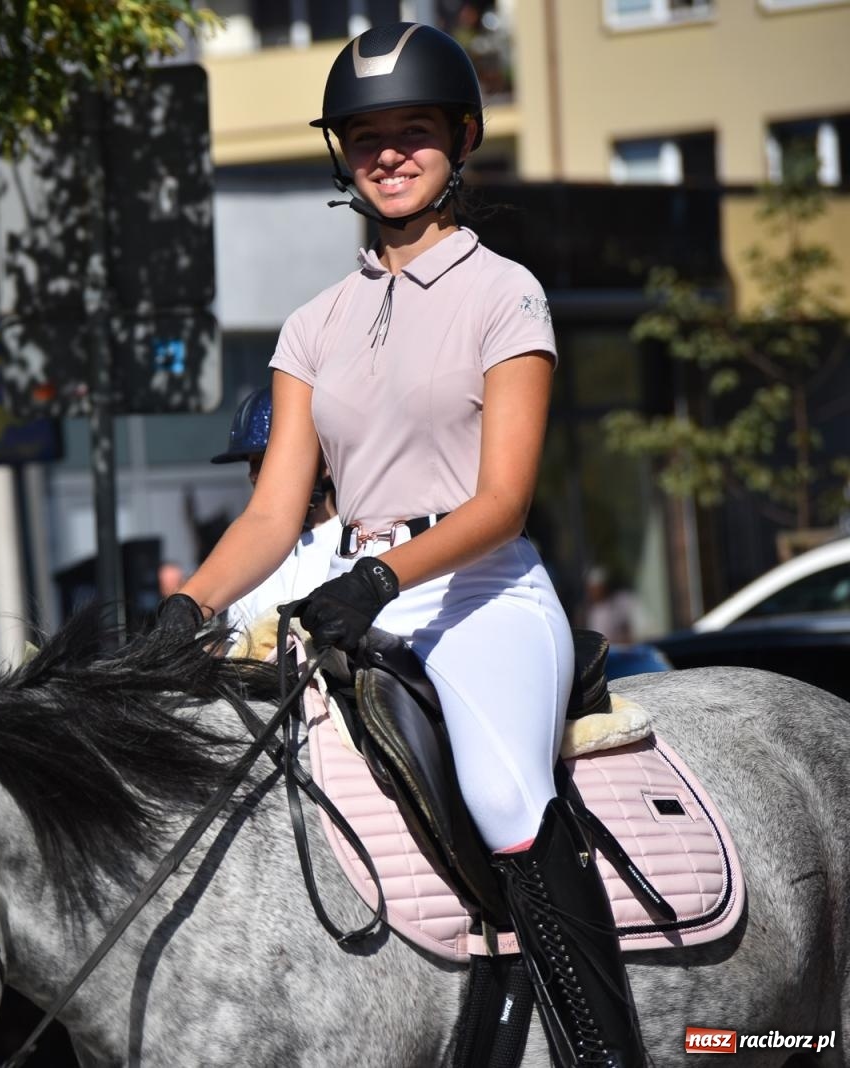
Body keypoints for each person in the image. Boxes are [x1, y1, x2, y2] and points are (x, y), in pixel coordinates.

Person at [158, 23, 646, 1066]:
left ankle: (607, 1051)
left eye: (411, 130)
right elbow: (269, 514)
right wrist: (184, 609)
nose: (387, 152)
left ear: (458, 139)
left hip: (479, 595)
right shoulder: (310, 326)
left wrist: (376, 577)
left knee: (504, 795)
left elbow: (502, 501)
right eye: (366, 134)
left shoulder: (503, 292)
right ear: (341, 150)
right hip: (353, 588)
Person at [209, 385, 341, 638]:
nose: (254, 475)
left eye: (266, 460)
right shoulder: (244, 555)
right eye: (252, 463)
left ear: (324, 463)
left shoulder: (359, 543)